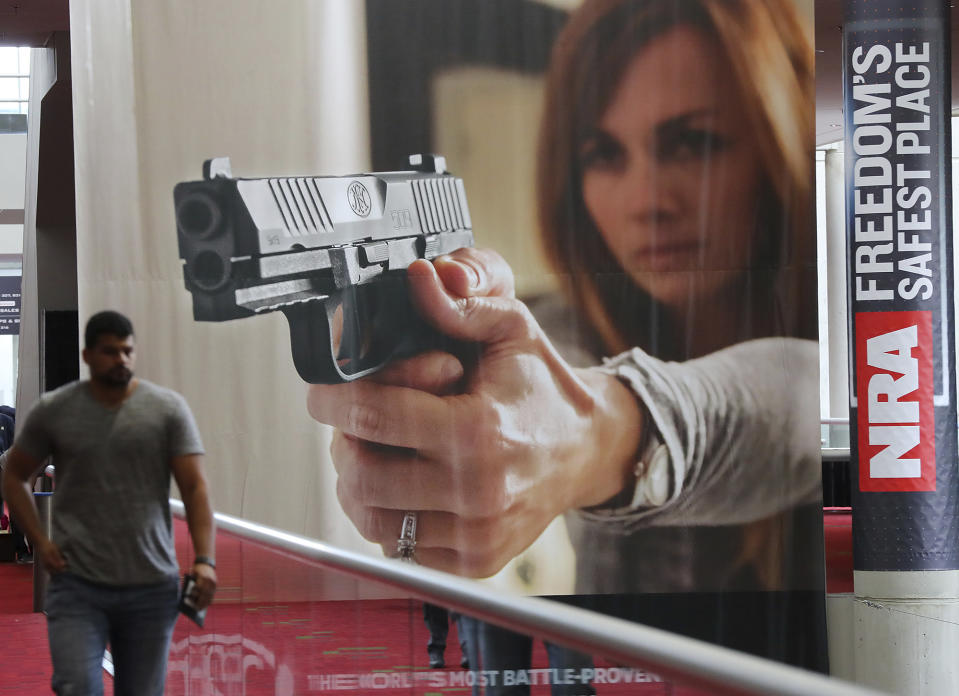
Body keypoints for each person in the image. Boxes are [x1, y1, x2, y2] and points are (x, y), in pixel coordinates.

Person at [309, 0, 822, 672]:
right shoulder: (558, 329)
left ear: (775, 140)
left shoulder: (871, 325)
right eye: (604, 154)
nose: (646, 199)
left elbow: (810, 393)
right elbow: (544, 375)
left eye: (692, 142)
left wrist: (599, 433)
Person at [1, 310, 217, 696]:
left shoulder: (166, 409)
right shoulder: (56, 410)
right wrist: (40, 539)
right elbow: (14, 475)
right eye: (109, 352)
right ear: (87, 355)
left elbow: (195, 488)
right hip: (76, 582)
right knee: (77, 685)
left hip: (150, 584)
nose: (121, 360)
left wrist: (205, 560)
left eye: (127, 351)